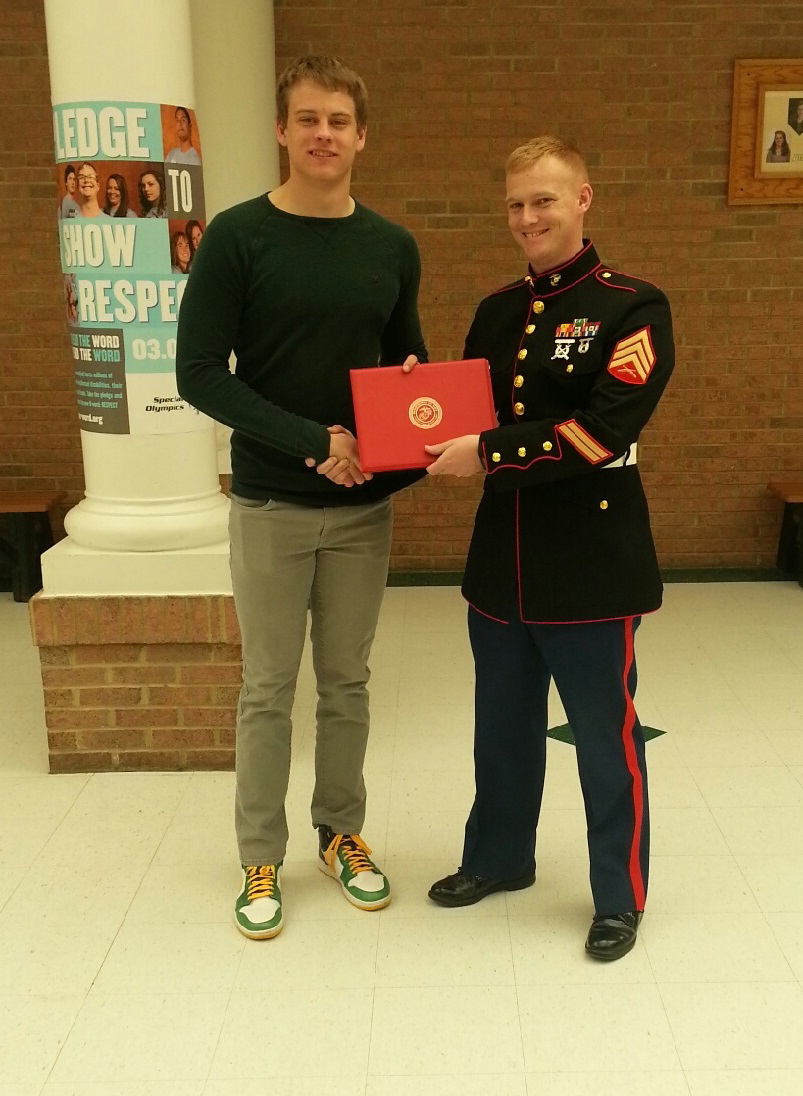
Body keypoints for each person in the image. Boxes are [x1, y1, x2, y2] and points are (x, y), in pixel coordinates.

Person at [176, 55, 427, 941]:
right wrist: (313, 442)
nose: (324, 134)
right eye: (307, 118)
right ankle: (260, 855)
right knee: (267, 687)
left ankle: (341, 835)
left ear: (362, 136)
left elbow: (407, 365)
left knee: (349, 684)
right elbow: (201, 374)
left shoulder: (391, 246)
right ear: (282, 131)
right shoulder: (237, 239)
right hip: (272, 505)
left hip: (362, 511)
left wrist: (397, 421)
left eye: (340, 121)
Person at [424, 135, 675, 962]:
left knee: (604, 736)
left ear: (583, 200)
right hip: (504, 562)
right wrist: (413, 399)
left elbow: (602, 433)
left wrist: (489, 453)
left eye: (545, 200)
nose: (528, 217)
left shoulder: (632, 307)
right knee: (500, 727)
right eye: (516, 204)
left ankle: (618, 897)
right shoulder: (498, 310)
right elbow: (463, 407)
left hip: (593, 564)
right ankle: (499, 859)